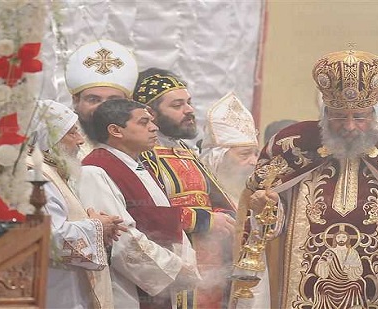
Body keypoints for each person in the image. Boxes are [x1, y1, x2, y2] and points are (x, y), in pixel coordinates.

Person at [232, 50, 378, 308]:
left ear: (375, 112)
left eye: (359, 116)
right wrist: (268, 209)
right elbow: (263, 217)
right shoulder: (290, 146)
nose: (349, 126)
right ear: (324, 113)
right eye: (338, 116)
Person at [76, 99, 200, 308]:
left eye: (152, 121)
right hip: (126, 288)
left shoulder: (141, 166)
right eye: (144, 122)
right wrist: (174, 268)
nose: (154, 127)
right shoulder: (94, 170)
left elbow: (167, 222)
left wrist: (186, 262)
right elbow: (120, 237)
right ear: (115, 130)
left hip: (160, 284)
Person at [133, 68, 236, 309]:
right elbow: (144, 211)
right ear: (151, 113)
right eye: (177, 105)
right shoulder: (142, 155)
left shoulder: (186, 151)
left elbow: (217, 200)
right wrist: (204, 221)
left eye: (188, 102)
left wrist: (226, 217)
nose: (189, 110)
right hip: (170, 263)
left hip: (209, 263)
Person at [27, 100, 127, 309]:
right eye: (72, 133)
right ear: (47, 137)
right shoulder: (33, 175)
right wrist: (98, 226)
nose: (81, 140)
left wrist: (97, 225)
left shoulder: (50, 170)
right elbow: (49, 237)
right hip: (55, 293)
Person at [65, 39, 138, 157]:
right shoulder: (59, 143)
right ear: (76, 101)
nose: (103, 108)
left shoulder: (142, 144)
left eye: (113, 100)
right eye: (93, 100)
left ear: (129, 103)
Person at [199, 91, 260, 205]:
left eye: (256, 154)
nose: (254, 162)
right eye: (245, 154)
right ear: (219, 159)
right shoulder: (200, 192)